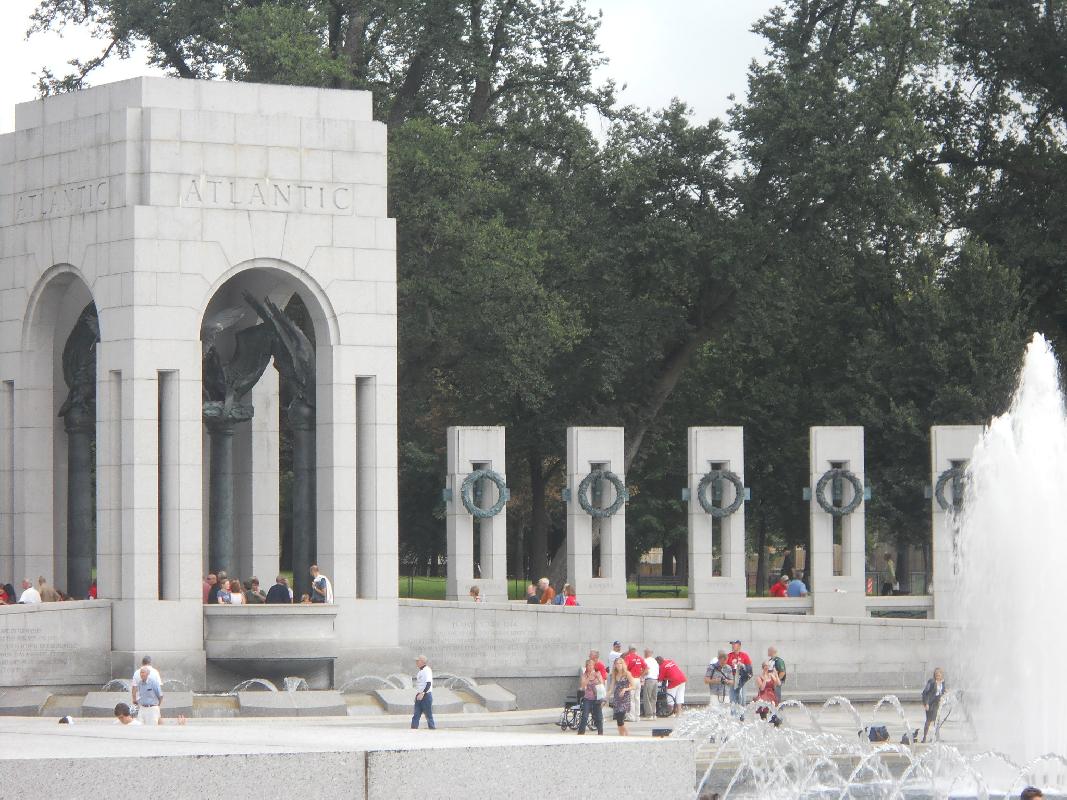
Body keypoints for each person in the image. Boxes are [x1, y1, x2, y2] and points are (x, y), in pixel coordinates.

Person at [609, 657, 637, 736]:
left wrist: (625, 689)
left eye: (620, 663)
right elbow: (611, 687)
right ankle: (621, 736)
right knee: (618, 720)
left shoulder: (627, 673)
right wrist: (606, 696)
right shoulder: (615, 674)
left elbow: (634, 686)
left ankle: (627, 735)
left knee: (621, 719)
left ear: (623, 664)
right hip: (617, 698)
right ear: (615, 665)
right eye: (617, 663)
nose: (618, 665)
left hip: (625, 698)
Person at [577, 658, 604, 735]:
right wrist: (589, 677)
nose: (590, 667)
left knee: (599, 717)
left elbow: (602, 684)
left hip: (597, 698)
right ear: (586, 666)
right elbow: (583, 686)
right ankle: (581, 732)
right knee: (585, 716)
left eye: (592, 665)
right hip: (587, 698)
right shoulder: (584, 675)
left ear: (594, 666)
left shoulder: (597, 673)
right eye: (588, 665)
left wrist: (597, 678)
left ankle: (600, 733)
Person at [921, 667, 946, 743]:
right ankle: (924, 738)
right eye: (936, 675)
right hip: (930, 703)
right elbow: (925, 692)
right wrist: (926, 703)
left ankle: (937, 738)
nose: (938, 676)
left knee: (937, 721)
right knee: (928, 721)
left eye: (939, 675)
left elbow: (942, 691)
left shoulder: (942, 682)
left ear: (941, 675)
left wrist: (945, 693)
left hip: (937, 703)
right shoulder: (931, 682)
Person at [622, 646, 646, 721]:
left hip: (631, 679)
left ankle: (631, 717)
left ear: (629, 650)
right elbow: (646, 668)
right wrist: (641, 675)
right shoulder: (640, 658)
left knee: (631, 698)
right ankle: (637, 716)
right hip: (638, 679)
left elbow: (625, 668)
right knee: (637, 698)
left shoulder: (628, 657)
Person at [411, 655, 435, 729]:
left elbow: (428, 684)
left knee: (428, 716)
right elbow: (420, 685)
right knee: (416, 715)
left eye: (417, 661)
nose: (416, 662)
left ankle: (432, 730)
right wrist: (418, 695)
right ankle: (413, 730)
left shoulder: (427, 670)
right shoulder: (421, 671)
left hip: (426, 696)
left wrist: (423, 693)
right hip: (420, 695)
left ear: (422, 662)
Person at [726, 640, 753, 706]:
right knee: (733, 697)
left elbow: (749, 668)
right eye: (732, 644)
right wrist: (731, 665)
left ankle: (742, 711)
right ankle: (734, 711)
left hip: (742, 679)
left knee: (742, 698)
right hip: (732, 679)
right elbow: (724, 668)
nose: (732, 646)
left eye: (734, 644)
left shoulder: (744, 655)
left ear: (739, 646)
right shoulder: (729, 656)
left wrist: (742, 665)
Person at [641, 647, 659, 718]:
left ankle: (649, 715)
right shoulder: (655, 661)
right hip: (655, 680)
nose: (644, 654)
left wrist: (641, 676)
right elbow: (657, 672)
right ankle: (654, 713)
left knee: (647, 698)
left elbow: (646, 671)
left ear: (647, 653)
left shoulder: (645, 660)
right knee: (654, 698)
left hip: (649, 680)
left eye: (645, 652)